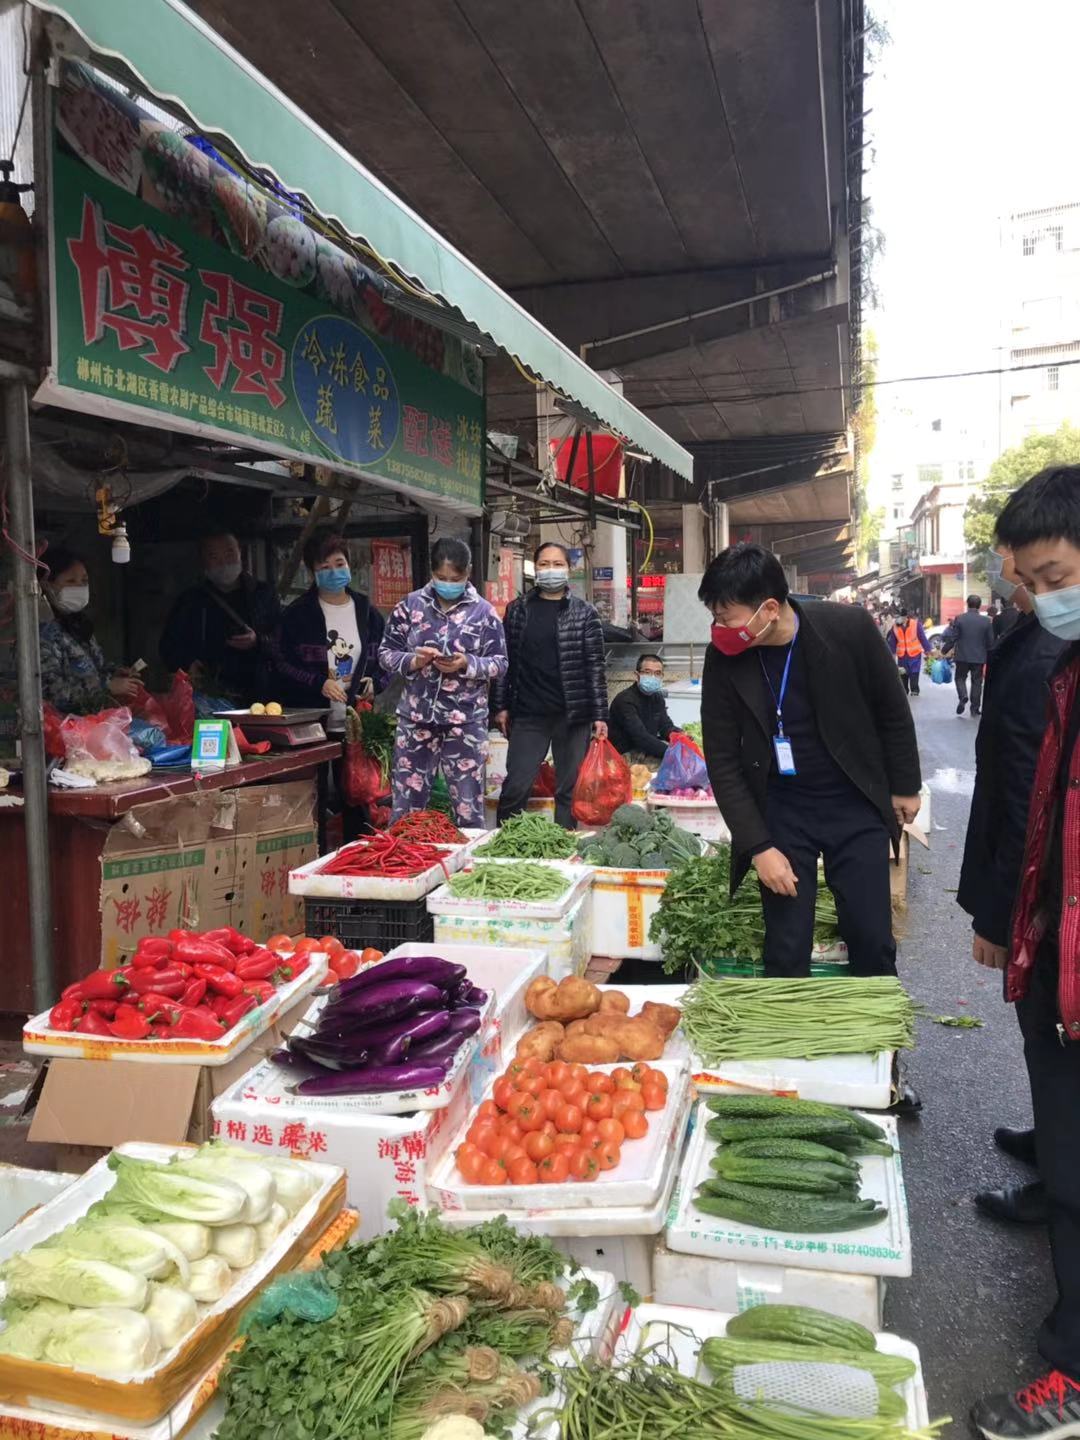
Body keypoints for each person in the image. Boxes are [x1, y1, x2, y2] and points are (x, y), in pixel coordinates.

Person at [970, 467, 1080, 1440]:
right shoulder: (1062, 664)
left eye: (1050, 575)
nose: (1039, 598)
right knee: (1067, 1130)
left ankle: (1073, 1376)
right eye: (1027, 581)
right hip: (1059, 938)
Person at [699, 542, 921, 978]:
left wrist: (905, 784)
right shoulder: (724, 659)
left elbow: (891, 710)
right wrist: (759, 846)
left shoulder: (848, 628)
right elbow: (722, 758)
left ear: (768, 609)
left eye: (726, 617)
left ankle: (873, 1036)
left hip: (852, 800)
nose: (719, 628)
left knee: (871, 935)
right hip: (782, 808)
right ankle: (788, 1036)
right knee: (785, 944)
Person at [958, 547, 1066, 1229]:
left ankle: (1058, 1187)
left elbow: (1032, 800)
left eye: (1037, 572)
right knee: (1043, 1040)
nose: (1009, 573)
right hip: (1044, 891)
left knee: (1055, 1039)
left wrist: (1000, 916)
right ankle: (1050, 1139)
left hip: (1051, 898)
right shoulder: (1030, 632)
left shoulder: (1053, 652)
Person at [378, 537, 507, 829]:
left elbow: (500, 663)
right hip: (416, 719)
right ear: (432, 574)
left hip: (466, 722)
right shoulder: (410, 606)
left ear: (468, 573)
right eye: (442, 578)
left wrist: (467, 664)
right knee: (406, 808)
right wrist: (415, 660)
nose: (448, 583)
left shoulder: (484, 613)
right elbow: (386, 654)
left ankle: (468, 869)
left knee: (468, 808)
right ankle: (406, 866)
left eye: (456, 578)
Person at [492, 541, 608, 829]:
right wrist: (500, 706)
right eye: (544, 564)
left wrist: (600, 715)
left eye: (558, 564)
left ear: (569, 569)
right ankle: (505, 848)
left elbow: (594, 667)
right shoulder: (517, 610)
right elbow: (504, 661)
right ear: (535, 569)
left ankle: (563, 848)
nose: (551, 570)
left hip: (572, 716)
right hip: (528, 714)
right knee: (516, 786)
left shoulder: (585, 613)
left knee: (568, 791)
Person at [274, 532, 384, 726]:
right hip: (311, 723)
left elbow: (387, 658)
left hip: (360, 724)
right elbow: (282, 663)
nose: (334, 572)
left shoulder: (369, 614)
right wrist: (318, 683)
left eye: (340, 564)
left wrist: (376, 683)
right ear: (311, 573)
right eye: (325, 567)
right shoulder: (297, 615)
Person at [159, 532, 280, 704]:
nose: (223, 562)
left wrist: (257, 640)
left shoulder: (263, 594)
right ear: (203, 561)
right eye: (214, 556)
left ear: (240, 553)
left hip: (259, 690)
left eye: (229, 553)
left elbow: (283, 639)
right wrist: (187, 663)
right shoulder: (191, 599)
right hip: (208, 693)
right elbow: (168, 645)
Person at [38, 545, 141, 714]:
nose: (79, 587)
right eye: (70, 581)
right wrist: (106, 686)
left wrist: (114, 673)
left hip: (91, 723)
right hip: (61, 730)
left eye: (84, 581)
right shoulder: (42, 634)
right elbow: (52, 694)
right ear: (47, 586)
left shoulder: (78, 625)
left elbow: (92, 668)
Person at [608, 655, 678, 759]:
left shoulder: (657, 697)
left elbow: (665, 726)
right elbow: (640, 736)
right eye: (647, 672)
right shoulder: (625, 700)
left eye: (657, 673)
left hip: (646, 751)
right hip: (623, 755)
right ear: (637, 675)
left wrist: (679, 736)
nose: (653, 677)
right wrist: (670, 753)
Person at [941, 593, 994, 716]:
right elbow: (990, 642)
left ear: (967, 604)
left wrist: (944, 650)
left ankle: (963, 696)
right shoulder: (986, 621)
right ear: (980, 606)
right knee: (977, 682)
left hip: (962, 656)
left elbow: (954, 637)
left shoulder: (960, 618)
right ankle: (975, 708)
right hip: (979, 657)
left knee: (960, 678)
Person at [886, 607, 929, 696]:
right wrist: (892, 655)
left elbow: (922, 638)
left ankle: (914, 690)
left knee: (914, 672)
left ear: (905, 617)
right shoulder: (895, 627)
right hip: (902, 655)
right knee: (903, 673)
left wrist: (928, 650)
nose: (898, 619)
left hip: (914, 654)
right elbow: (892, 642)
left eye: (900, 617)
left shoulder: (916, 624)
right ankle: (904, 690)